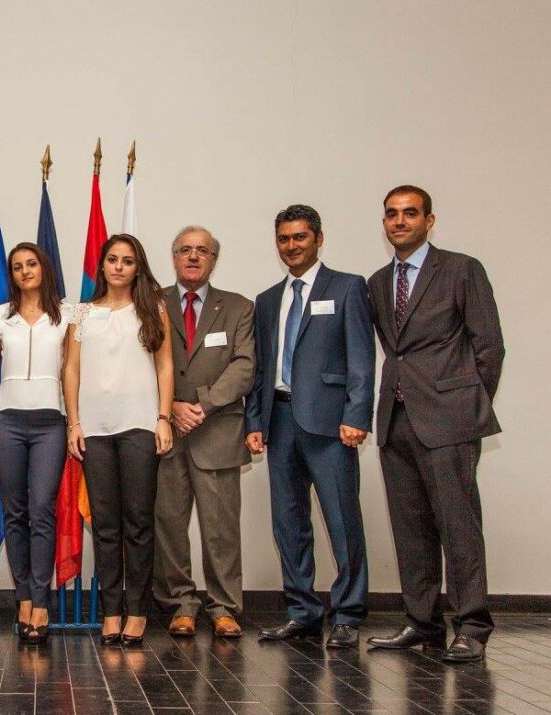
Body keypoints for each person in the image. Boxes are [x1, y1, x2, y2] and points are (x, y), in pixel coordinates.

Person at [364, 186, 504, 663]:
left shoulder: (462, 270)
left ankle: (473, 626)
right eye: (391, 214)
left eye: (409, 213)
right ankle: (422, 624)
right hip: (396, 419)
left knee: (458, 526)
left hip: (449, 421)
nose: (399, 221)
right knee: (411, 528)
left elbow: (489, 346)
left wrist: (467, 404)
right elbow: (393, 347)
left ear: (430, 220)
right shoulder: (379, 281)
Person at [245, 205, 374, 649]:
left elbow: (362, 357)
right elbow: (260, 369)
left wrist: (357, 415)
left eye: (300, 237)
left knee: (342, 520)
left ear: (318, 238)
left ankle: (348, 615)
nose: (292, 246)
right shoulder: (266, 300)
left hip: (330, 425)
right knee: (289, 522)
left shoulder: (347, 287)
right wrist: (254, 421)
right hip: (279, 421)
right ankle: (302, 611)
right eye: (284, 238)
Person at [63, 233, 174, 647]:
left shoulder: (153, 309)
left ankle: (138, 612)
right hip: (94, 429)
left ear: (137, 266)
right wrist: (74, 422)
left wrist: (163, 418)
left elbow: (165, 366)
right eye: (113, 259)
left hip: (139, 425)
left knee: (139, 525)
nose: (119, 267)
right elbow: (70, 370)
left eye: (128, 261)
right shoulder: (80, 313)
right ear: (102, 265)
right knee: (105, 526)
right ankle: (111, 612)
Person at [152, 226, 255, 639]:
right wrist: (170, 406)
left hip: (216, 432)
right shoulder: (150, 302)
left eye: (202, 251)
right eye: (185, 250)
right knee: (169, 526)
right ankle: (180, 604)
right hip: (165, 432)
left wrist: (201, 405)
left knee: (221, 529)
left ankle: (225, 607)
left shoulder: (238, 307)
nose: (193, 257)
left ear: (214, 259)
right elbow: (136, 362)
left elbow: (245, 366)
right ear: (174, 257)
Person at [0, 243, 70, 645]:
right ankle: (23, 597)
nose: (25, 271)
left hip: (51, 423)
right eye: (17, 266)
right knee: (14, 511)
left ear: (44, 267)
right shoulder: (0, 316)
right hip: (7, 421)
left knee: (42, 510)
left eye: (31, 263)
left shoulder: (68, 315)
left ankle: (42, 599)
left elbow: (73, 371)